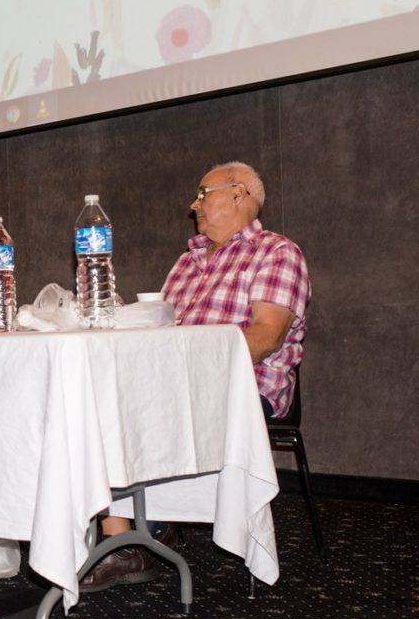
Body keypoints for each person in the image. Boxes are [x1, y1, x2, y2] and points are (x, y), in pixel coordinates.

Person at [79, 161, 311, 593]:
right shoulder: (186, 263)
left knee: (126, 414)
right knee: (95, 400)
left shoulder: (277, 253)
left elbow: (265, 337)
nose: (193, 204)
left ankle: (131, 539)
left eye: (203, 194)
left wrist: (189, 373)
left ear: (239, 194)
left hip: (242, 389)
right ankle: (137, 529)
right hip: (175, 388)